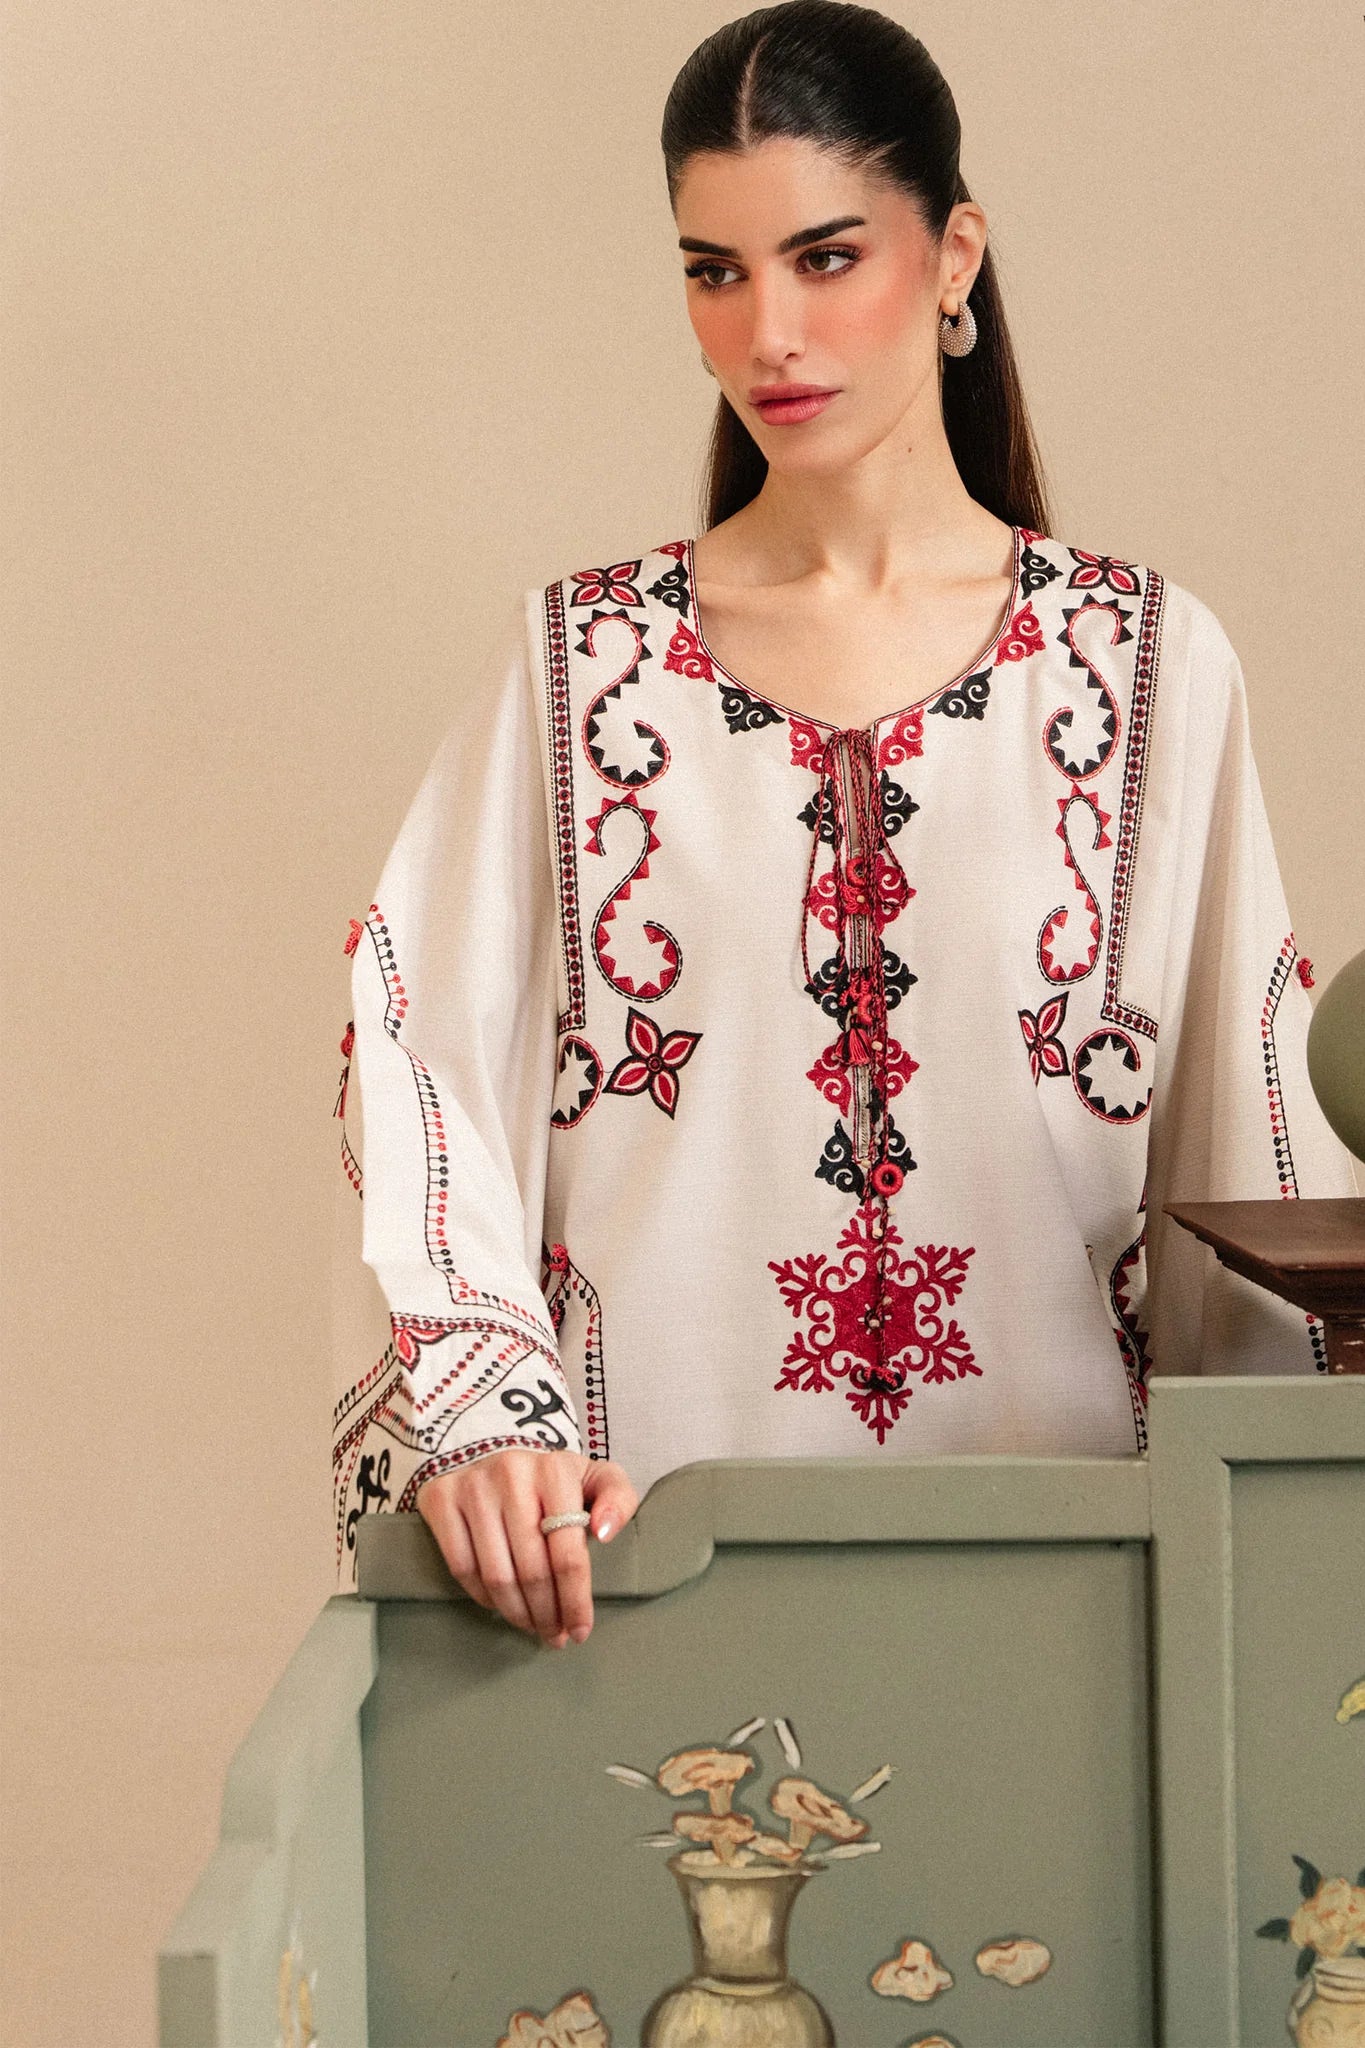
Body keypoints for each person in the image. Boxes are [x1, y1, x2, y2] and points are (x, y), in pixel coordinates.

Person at [329, 0, 1357, 1645]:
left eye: (824, 258)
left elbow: (1243, 1145)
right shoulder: (577, 666)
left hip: (1072, 1593)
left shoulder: (1146, 662)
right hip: (641, 1591)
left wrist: (1278, 1588)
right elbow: (415, 1062)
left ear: (953, 258)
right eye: (714, 271)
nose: (767, 335)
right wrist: (485, 1418)